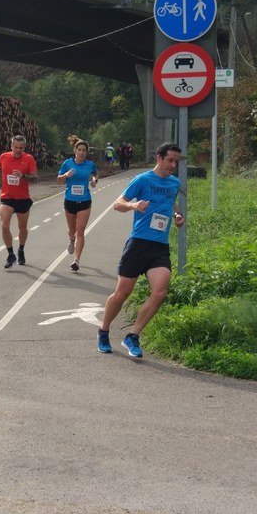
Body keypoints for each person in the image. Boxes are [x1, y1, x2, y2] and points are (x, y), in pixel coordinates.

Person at [97, 141, 185, 357]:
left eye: (176, 161)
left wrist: (177, 215)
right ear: (159, 158)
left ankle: (133, 336)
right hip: (138, 243)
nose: (173, 165)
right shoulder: (142, 180)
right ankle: (104, 331)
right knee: (122, 293)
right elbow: (118, 204)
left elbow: (171, 203)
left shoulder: (174, 183)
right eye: (170, 160)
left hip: (160, 246)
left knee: (160, 292)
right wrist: (134, 205)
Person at [0, 134, 37, 268]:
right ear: (11, 146)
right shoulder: (4, 156)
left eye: (21, 148)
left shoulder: (29, 158)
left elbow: (35, 178)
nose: (18, 150)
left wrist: (23, 176)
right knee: (4, 226)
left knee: (22, 228)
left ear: (24, 147)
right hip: (7, 197)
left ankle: (21, 249)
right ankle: (10, 254)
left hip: (23, 198)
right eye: (16, 147)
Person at [57, 139, 98, 272]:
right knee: (72, 230)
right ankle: (71, 239)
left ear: (86, 152)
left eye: (84, 150)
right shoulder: (67, 163)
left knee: (80, 230)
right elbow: (58, 180)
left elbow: (95, 174)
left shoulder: (90, 164)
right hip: (70, 200)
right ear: (75, 151)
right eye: (79, 150)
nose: (81, 152)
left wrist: (94, 180)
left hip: (84, 201)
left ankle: (76, 260)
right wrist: (65, 175)